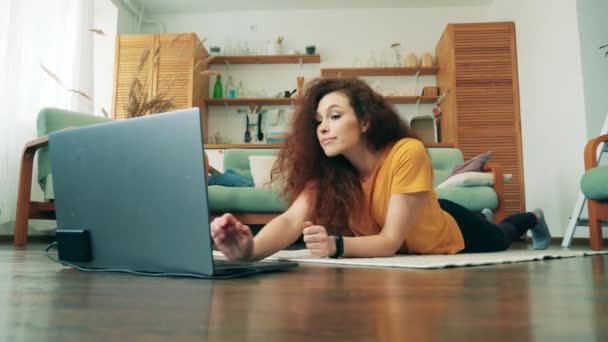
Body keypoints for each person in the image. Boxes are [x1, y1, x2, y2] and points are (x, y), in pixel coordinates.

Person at [210, 78, 551, 261]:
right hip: (415, 213)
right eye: (318, 121)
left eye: (335, 116)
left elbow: (389, 241)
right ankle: (486, 216)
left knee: (502, 237)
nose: (322, 128)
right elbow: (289, 220)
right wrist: (249, 251)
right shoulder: (331, 174)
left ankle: (532, 217)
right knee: (484, 224)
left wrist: (337, 246)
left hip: (444, 230)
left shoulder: (407, 152)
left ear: (366, 121)